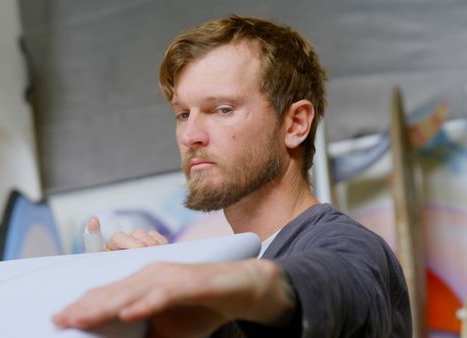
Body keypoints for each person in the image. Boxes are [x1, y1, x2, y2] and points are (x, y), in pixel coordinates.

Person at [53, 15, 412, 337]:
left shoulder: (344, 244)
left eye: (222, 109)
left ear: (296, 124)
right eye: (182, 114)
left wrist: (198, 278)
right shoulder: (241, 273)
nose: (190, 135)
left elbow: (336, 283)